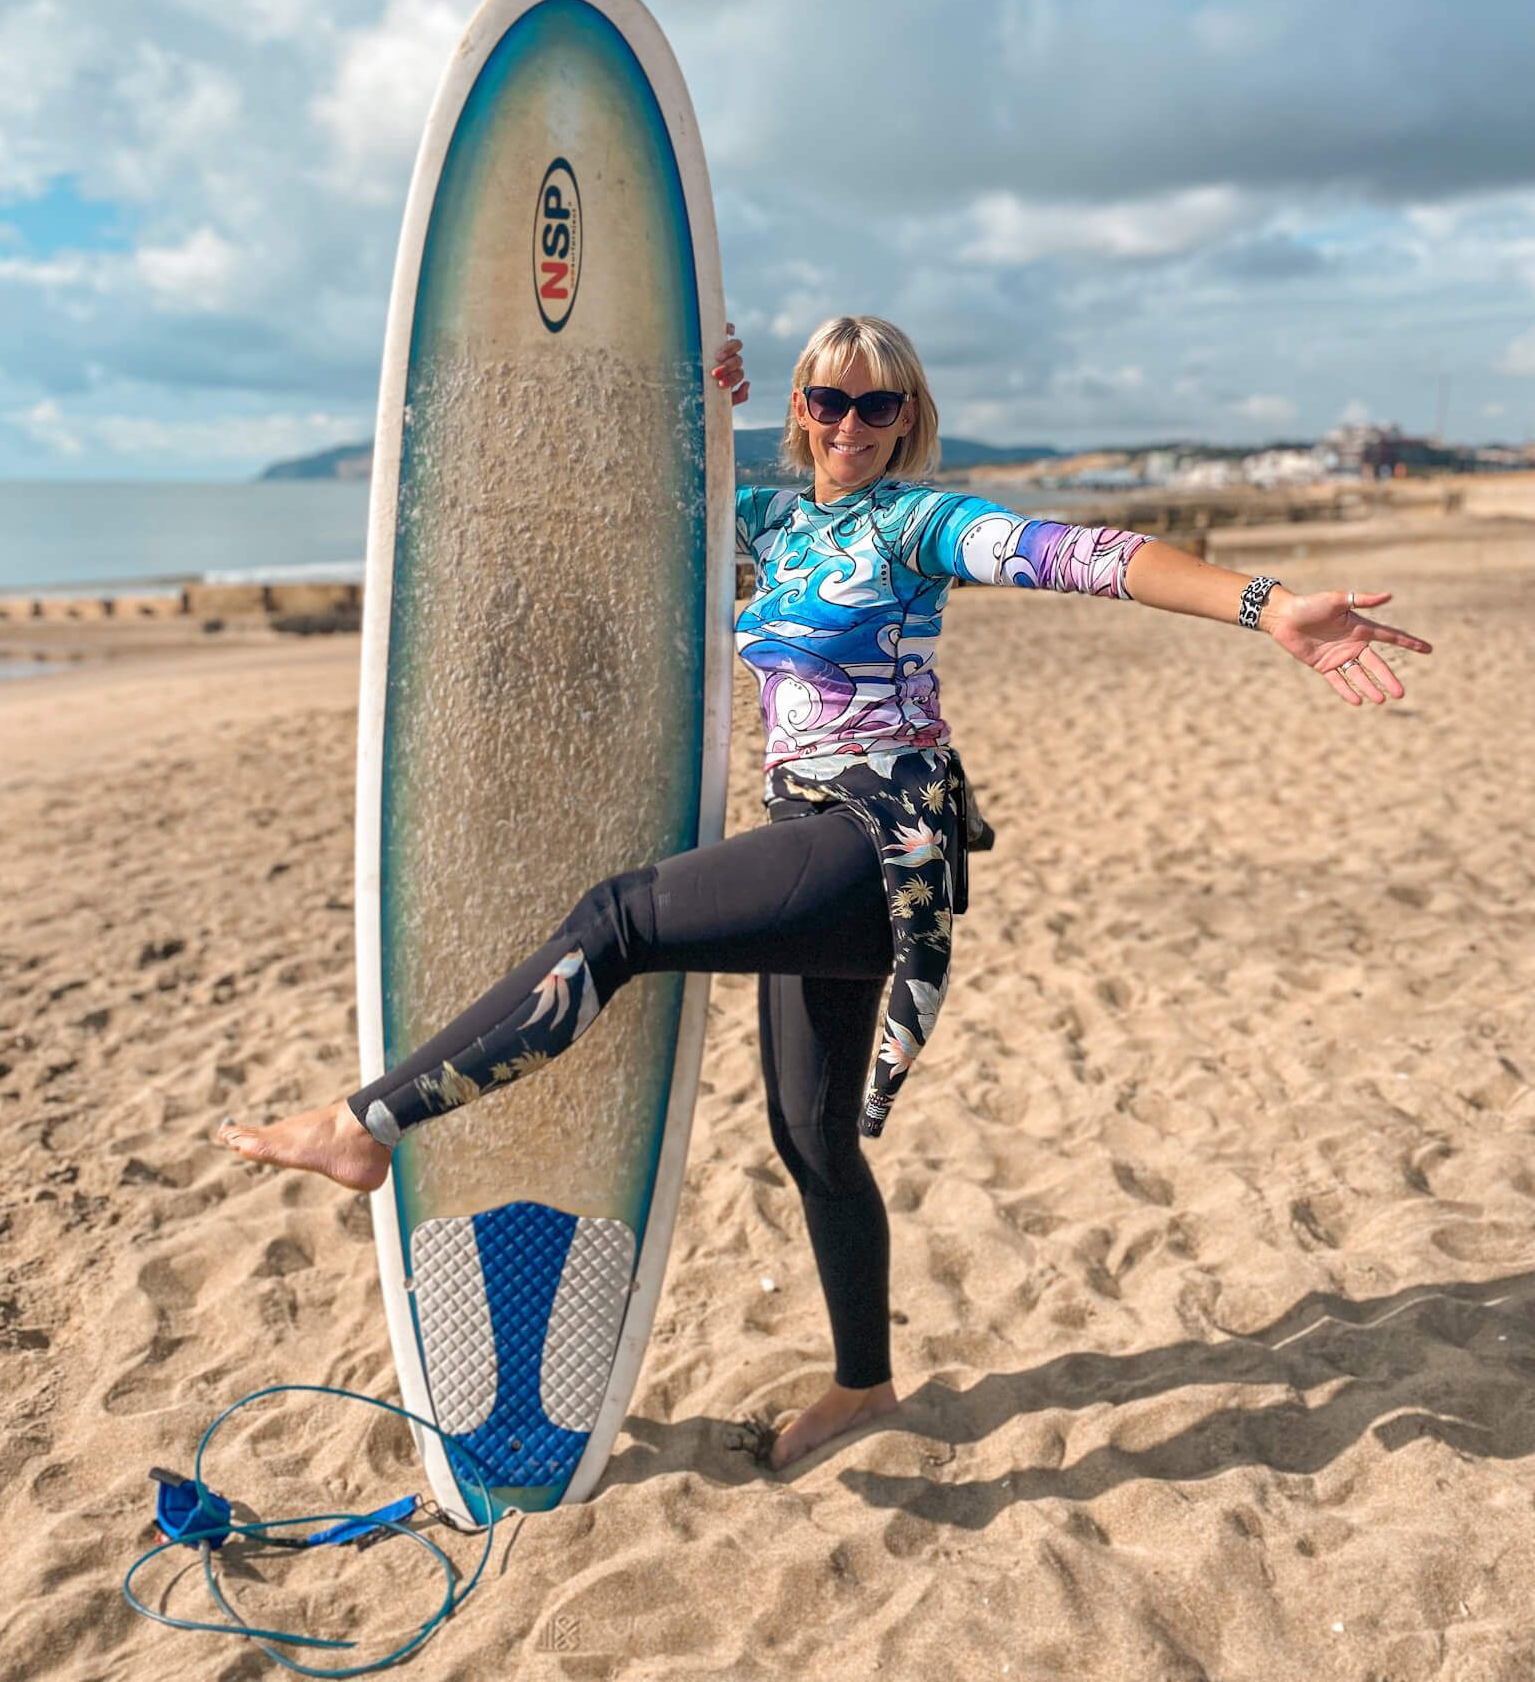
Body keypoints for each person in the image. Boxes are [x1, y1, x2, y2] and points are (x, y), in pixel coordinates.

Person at [218, 314, 1433, 1470]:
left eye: (876, 401)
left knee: (620, 920)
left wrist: (1266, 606)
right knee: (810, 1137)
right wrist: (699, 404)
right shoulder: (772, 522)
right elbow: (631, 503)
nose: (851, 420)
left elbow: (1086, 556)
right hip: (810, 843)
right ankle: (865, 1382)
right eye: (827, 397)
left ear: (908, 419)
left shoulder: (917, 525)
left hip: (875, 845)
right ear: (801, 408)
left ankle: (366, 1126)